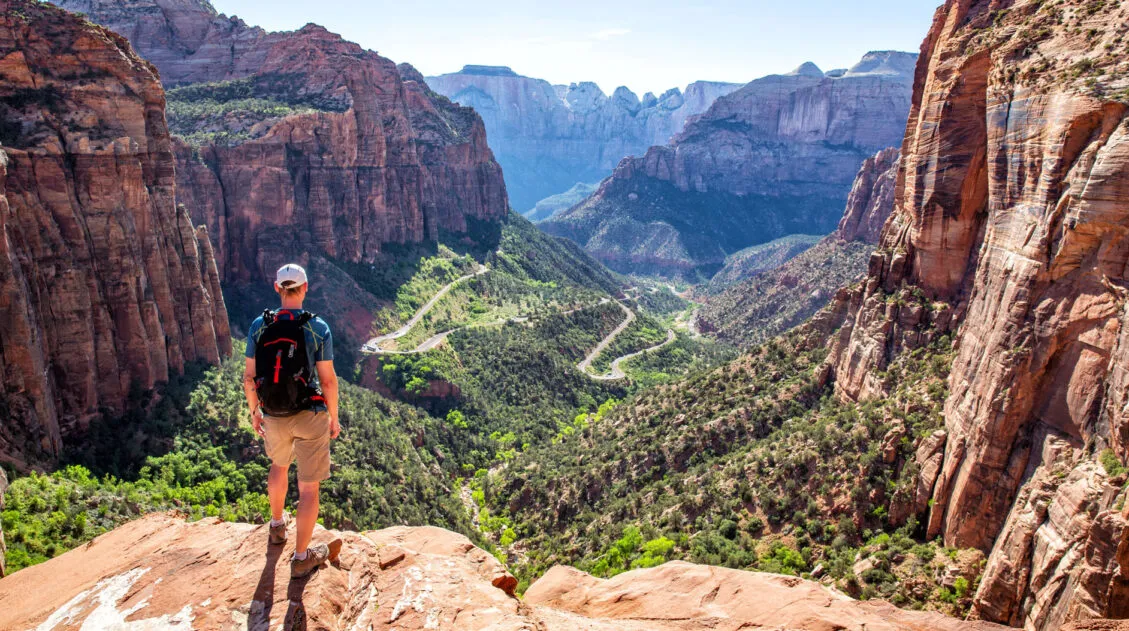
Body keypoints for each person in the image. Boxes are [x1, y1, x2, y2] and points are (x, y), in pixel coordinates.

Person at [242, 263, 342, 578]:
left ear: (277, 288)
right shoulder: (318, 327)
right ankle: (301, 558)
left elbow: (248, 377)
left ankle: (275, 527)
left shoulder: (260, 325)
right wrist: (334, 418)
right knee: (309, 487)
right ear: (305, 288)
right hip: (310, 413)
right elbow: (328, 382)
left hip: (273, 412)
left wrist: (254, 411)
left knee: (278, 466)